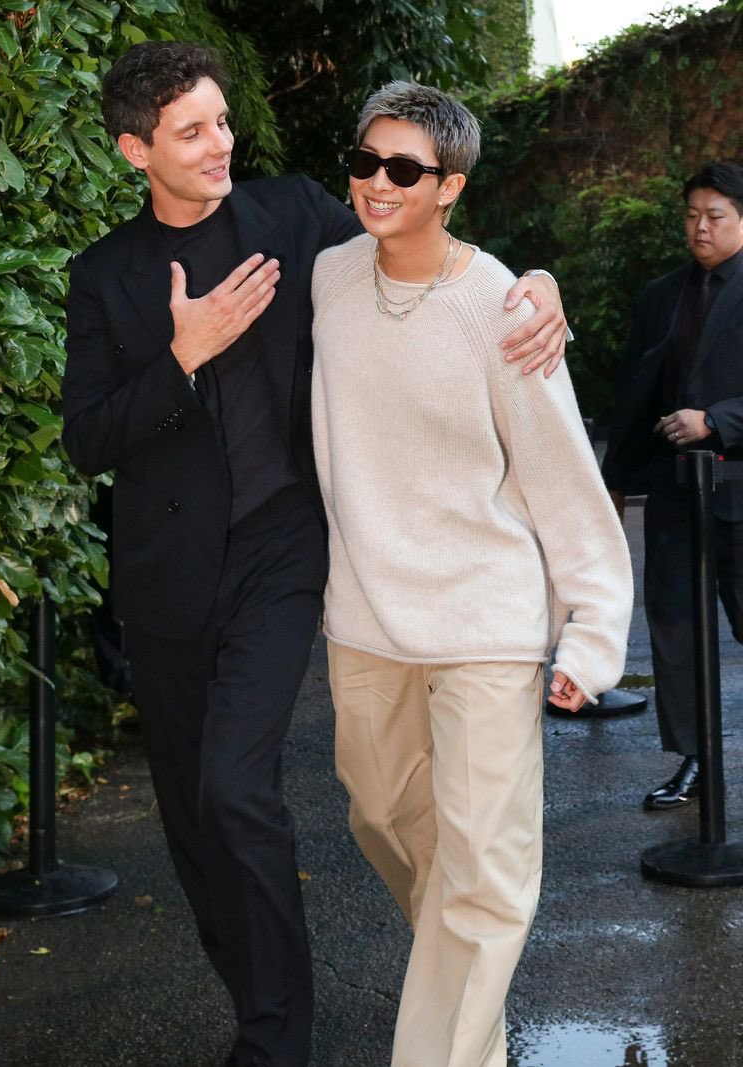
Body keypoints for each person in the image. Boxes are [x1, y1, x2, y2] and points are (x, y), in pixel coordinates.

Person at [61, 41, 571, 1067]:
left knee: (236, 788)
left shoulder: (293, 215)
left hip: (283, 547)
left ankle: (273, 1038)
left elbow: (413, 255)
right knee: (196, 827)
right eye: (191, 131)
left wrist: (532, 282)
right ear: (133, 151)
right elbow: (86, 438)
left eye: (220, 122)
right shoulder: (105, 275)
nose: (219, 144)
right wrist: (181, 356)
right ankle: (259, 995)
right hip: (167, 576)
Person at [310, 82, 633, 1067]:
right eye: (364, 161)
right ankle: (463, 999)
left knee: (484, 873)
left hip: (484, 623)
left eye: (402, 169)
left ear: (447, 185)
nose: (375, 182)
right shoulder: (325, 275)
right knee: (380, 814)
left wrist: (589, 632)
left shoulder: (501, 306)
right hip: (364, 615)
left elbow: (561, 479)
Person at [603, 162, 743, 812]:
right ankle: (694, 758)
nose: (700, 227)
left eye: (714, 215)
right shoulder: (663, 294)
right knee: (677, 632)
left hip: (738, 491)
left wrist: (716, 420)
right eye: (691, 214)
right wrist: (616, 480)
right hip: (672, 494)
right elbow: (636, 393)